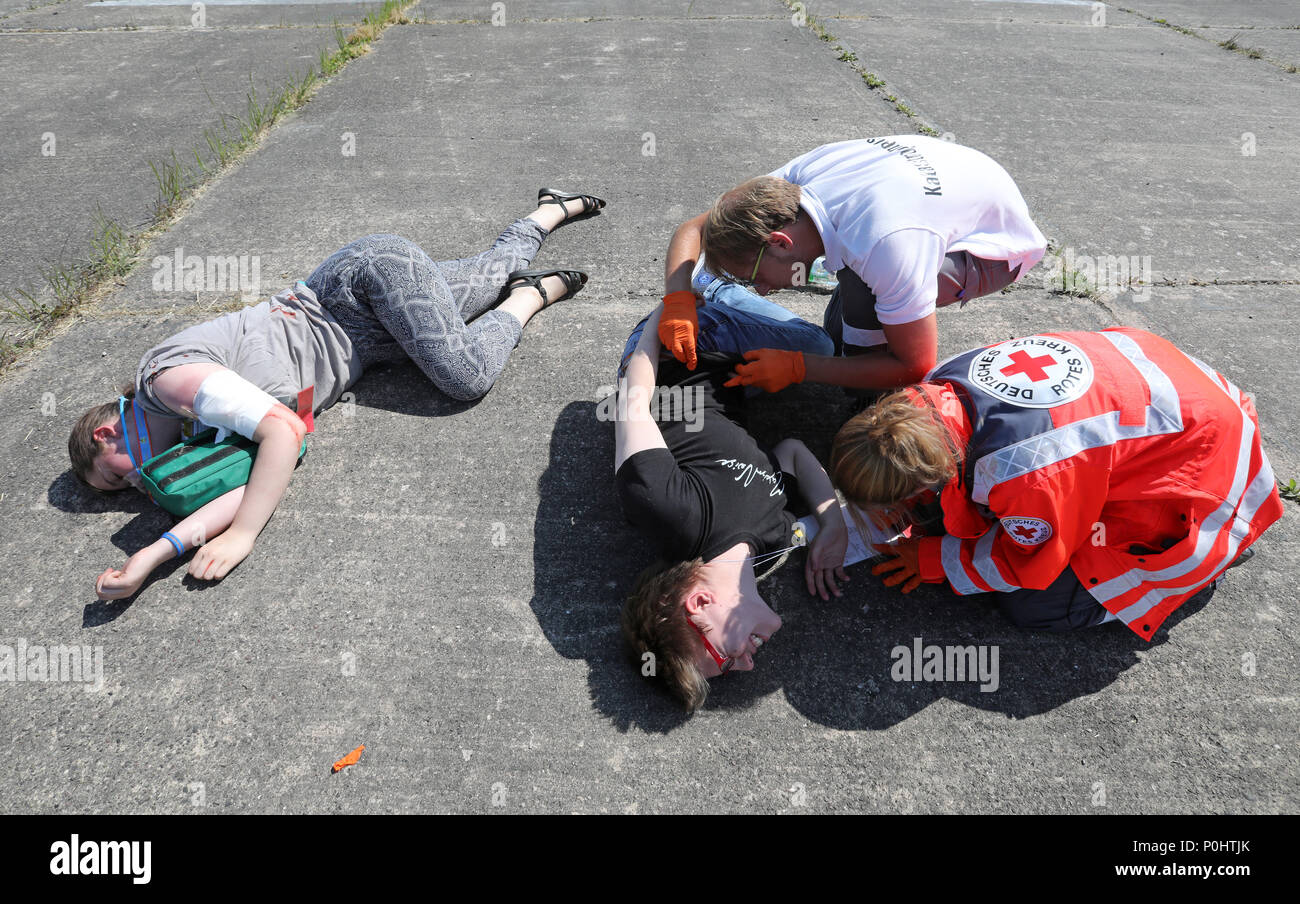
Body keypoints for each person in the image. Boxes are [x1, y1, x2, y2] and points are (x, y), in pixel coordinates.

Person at [70, 188, 605, 600]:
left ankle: (528, 299)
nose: (136, 487)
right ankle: (549, 211)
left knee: (463, 373)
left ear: (106, 432)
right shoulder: (195, 436)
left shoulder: (164, 380)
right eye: (123, 491)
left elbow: (281, 431)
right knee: (490, 273)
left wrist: (245, 536)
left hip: (359, 285)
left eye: (115, 474)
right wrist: (153, 555)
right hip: (369, 340)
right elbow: (256, 479)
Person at [829, 327, 1283, 639]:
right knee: (958, 518)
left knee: (1034, 605)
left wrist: (935, 560)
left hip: (1203, 475)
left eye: (901, 502)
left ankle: (1204, 559)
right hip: (1182, 392)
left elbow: (1029, 561)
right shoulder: (933, 388)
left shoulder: (1026, 470)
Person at [658, 136, 1047, 393]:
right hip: (952, 177)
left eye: (754, 277)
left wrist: (799, 367)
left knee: (865, 338)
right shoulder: (788, 189)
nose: (760, 289)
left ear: (779, 242)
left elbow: (915, 364)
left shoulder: (886, 244)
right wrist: (678, 301)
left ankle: (874, 394)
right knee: (848, 326)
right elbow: (693, 227)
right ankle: (864, 343)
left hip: (994, 242)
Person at [613, 294, 848, 712]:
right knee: (816, 354)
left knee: (821, 348)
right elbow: (793, 452)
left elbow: (633, 403)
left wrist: (667, 310)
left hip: (681, 351)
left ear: (700, 604)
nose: (746, 665)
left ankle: (708, 281)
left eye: (725, 658)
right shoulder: (771, 541)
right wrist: (833, 523)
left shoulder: (670, 513)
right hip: (733, 381)